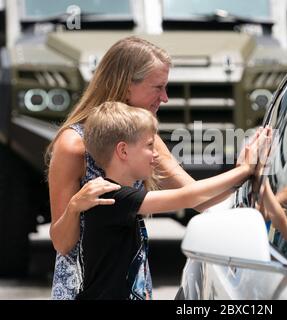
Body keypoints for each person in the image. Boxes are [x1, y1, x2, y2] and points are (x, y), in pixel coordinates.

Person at [46, 36, 236, 300]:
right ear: (126, 87)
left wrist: (266, 198)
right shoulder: (73, 145)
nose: (165, 98)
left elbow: (197, 197)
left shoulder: (145, 138)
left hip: (131, 285)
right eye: (157, 87)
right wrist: (76, 205)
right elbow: (62, 242)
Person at [76, 101, 260, 300]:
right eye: (149, 146)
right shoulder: (112, 197)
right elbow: (188, 197)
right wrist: (243, 170)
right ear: (123, 151)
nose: (156, 154)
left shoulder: (117, 195)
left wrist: (240, 181)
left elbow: (197, 196)